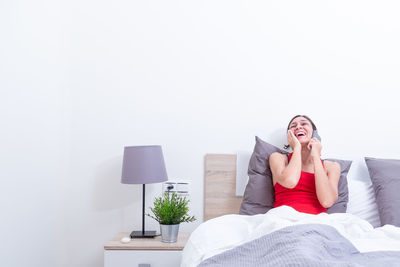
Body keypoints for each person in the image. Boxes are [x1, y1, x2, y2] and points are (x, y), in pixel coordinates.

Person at [269, 115, 341, 214]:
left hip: (317, 221)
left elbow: (326, 201)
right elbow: (290, 181)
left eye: (303, 123)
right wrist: (297, 148)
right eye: (293, 126)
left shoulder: (332, 166)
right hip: (284, 218)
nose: (298, 127)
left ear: (315, 134)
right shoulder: (278, 158)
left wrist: (316, 156)